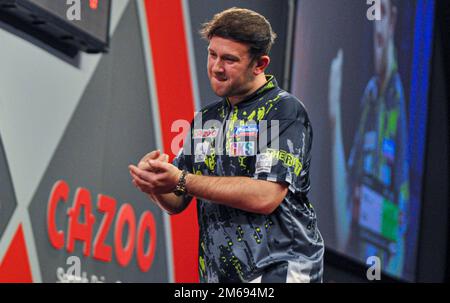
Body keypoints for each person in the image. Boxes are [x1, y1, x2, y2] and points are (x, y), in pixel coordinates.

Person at [129, 7, 324, 283]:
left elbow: (265, 196)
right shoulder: (206, 119)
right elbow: (177, 201)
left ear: (260, 64)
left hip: (280, 271)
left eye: (230, 59)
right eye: (212, 55)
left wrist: (181, 179)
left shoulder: (284, 110)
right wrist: (156, 184)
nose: (216, 67)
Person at [328, 0, 409, 275]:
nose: (376, 21)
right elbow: (349, 191)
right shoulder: (371, 94)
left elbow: (402, 208)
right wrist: (334, 113)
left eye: (382, 12)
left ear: (393, 20)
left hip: (383, 262)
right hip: (353, 256)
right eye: (372, 11)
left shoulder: (398, 101)